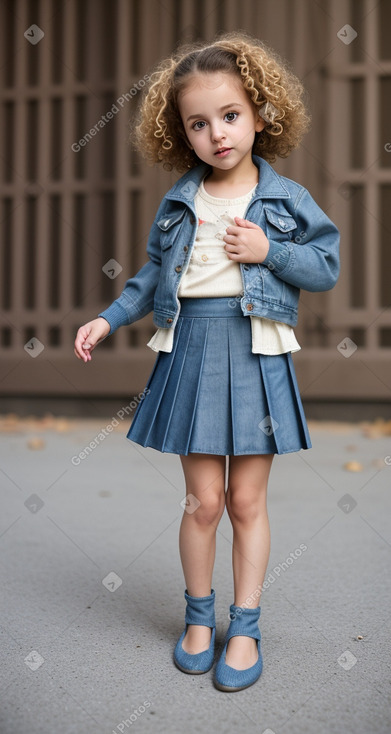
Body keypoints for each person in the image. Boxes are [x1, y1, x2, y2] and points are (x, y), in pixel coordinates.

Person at [74, 31, 340, 692]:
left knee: (247, 502)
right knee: (202, 501)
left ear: (258, 113)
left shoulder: (287, 200)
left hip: (255, 349)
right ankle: (198, 620)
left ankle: (243, 625)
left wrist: (268, 251)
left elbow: (324, 267)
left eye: (229, 115)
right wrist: (108, 318)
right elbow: (148, 278)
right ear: (180, 135)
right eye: (198, 123)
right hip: (191, 345)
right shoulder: (178, 206)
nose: (217, 134)